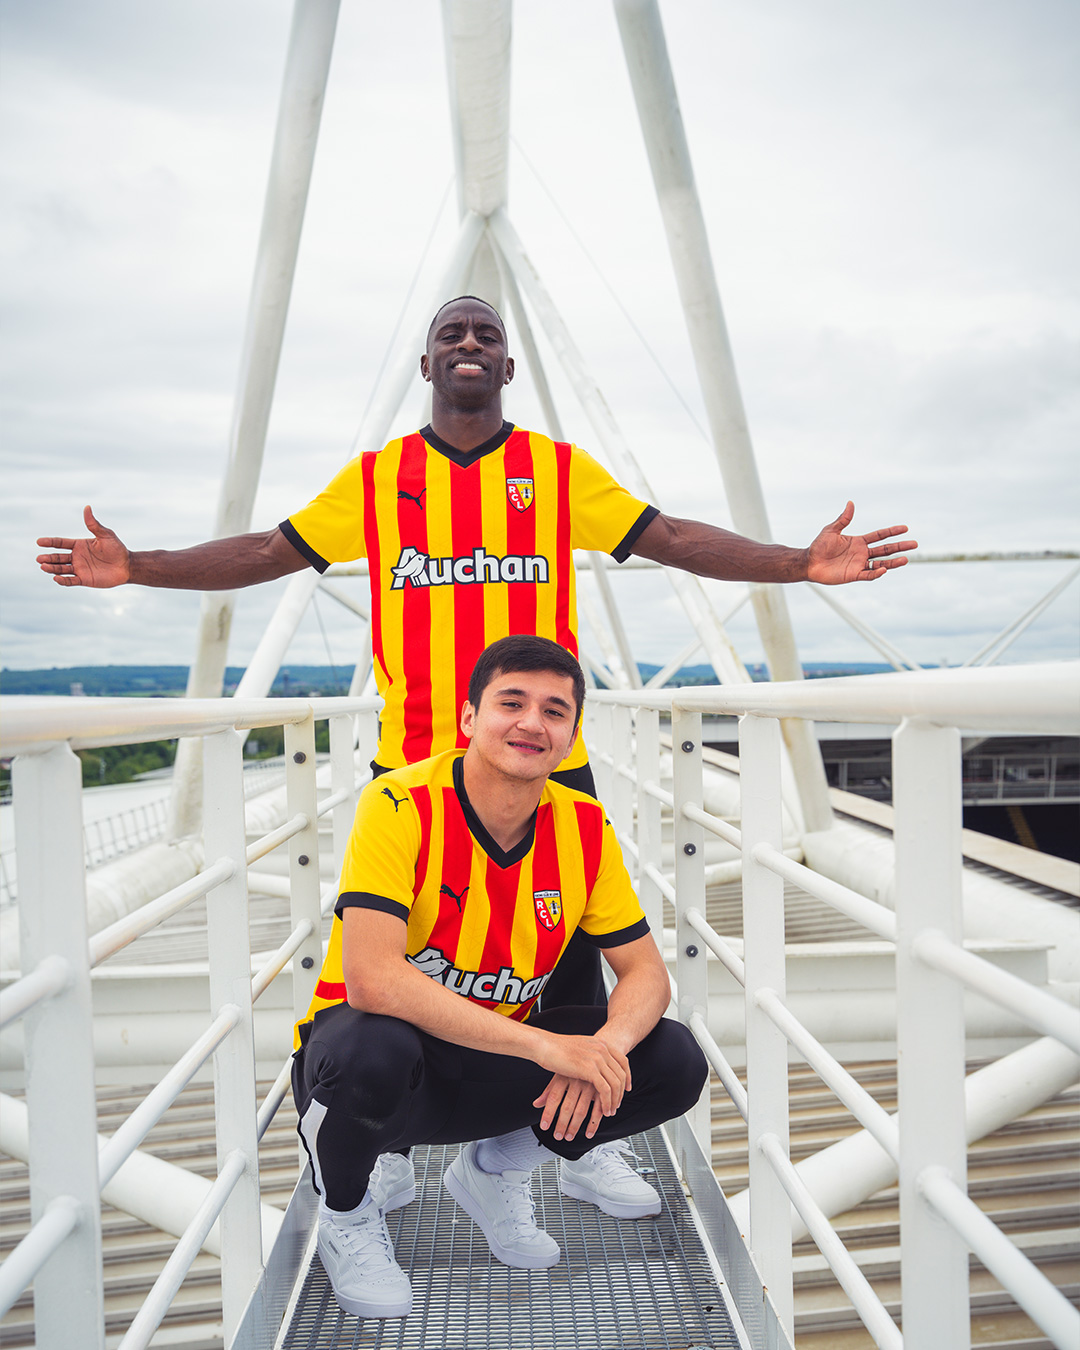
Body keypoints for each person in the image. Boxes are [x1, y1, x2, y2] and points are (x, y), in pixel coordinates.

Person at [35, 293, 916, 1203]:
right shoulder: (379, 479)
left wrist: (796, 564)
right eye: (449, 333)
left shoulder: (555, 472)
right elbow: (265, 551)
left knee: (567, 958)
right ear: (426, 365)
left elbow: (674, 538)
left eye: (486, 334)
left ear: (506, 367)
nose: (467, 342)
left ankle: (563, 1141)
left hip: (542, 761)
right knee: (407, 960)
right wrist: (138, 567)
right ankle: (374, 1138)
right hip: (415, 767)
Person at [291, 634, 708, 1318]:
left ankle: (494, 1169)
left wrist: (602, 1050)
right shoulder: (399, 802)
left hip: (486, 1061)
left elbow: (646, 974)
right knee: (374, 1048)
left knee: (673, 1058)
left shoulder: (583, 826)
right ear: (468, 717)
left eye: (554, 711)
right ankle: (346, 1211)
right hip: (377, 1073)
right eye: (511, 702)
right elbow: (371, 979)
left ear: (570, 737)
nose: (531, 722)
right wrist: (550, 1048)